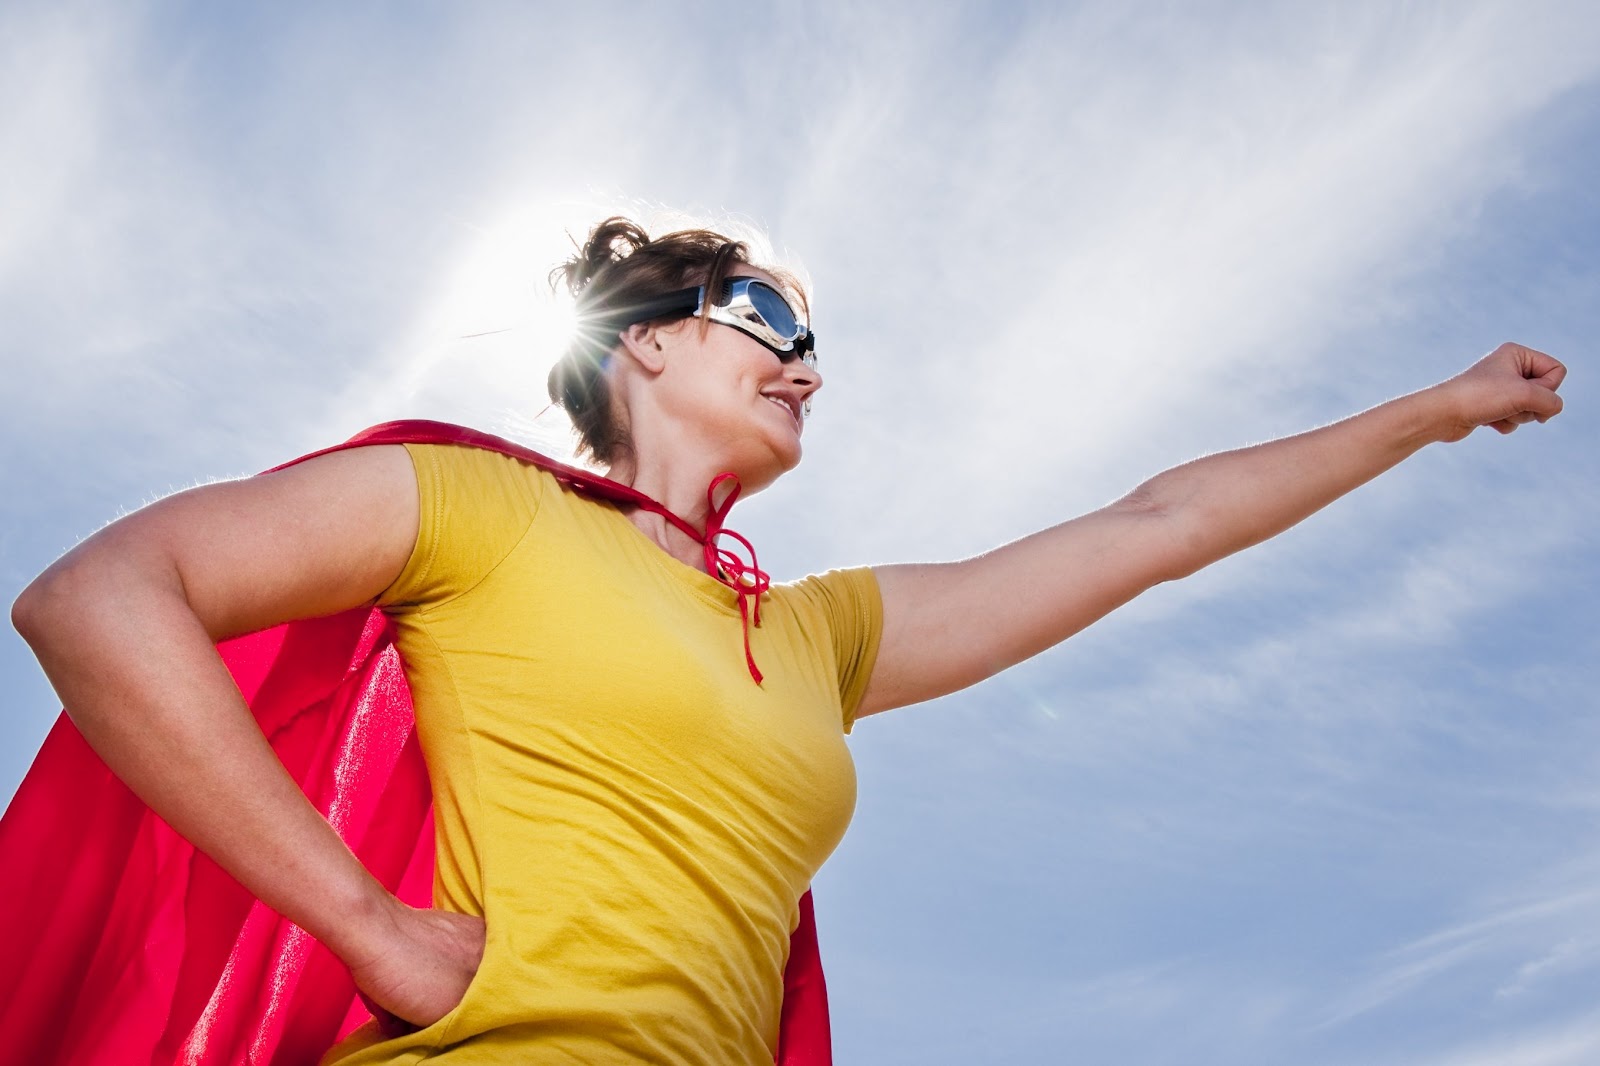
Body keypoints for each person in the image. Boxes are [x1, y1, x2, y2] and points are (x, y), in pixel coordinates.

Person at [10, 215, 1567, 1065]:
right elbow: (99, 596)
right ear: (648, 339)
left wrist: (1433, 410)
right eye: (766, 313)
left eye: (812, 342)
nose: (804, 365)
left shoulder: (818, 636)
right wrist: (369, 922)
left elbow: (1154, 529)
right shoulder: (478, 512)